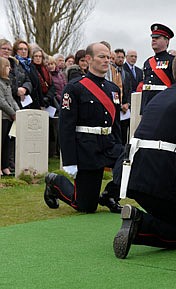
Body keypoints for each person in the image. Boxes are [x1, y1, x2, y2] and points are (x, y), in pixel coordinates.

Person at [112, 51, 176, 259]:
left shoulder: (159, 98)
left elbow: (159, 142)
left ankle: (139, 222)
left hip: (132, 171)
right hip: (158, 177)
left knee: (167, 219)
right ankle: (138, 223)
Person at [43, 42, 123, 213]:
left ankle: (110, 195)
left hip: (109, 144)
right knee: (86, 206)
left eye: (108, 57)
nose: (106, 60)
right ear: (88, 59)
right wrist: (70, 161)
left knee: (131, 164)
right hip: (87, 147)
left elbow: (115, 124)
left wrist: (120, 146)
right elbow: (66, 126)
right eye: (102, 57)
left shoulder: (113, 89)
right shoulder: (74, 87)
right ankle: (54, 182)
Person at [140, 23, 175, 113]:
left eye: (157, 38)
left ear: (167, 41)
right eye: (152, 38)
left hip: (163, 105)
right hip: (147, 105)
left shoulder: (173, 61)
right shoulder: (148, 62)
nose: (154, 40)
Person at [0, 56, 20, 176]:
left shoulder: (7, 83)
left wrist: (18, 112)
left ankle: (5, 166)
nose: (10, 69)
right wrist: (12, 113)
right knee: (0, 143)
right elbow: (1, 101)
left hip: (9, 118)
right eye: (7, 66)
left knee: (7, 143)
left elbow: (11, 100)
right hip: (2, 117)